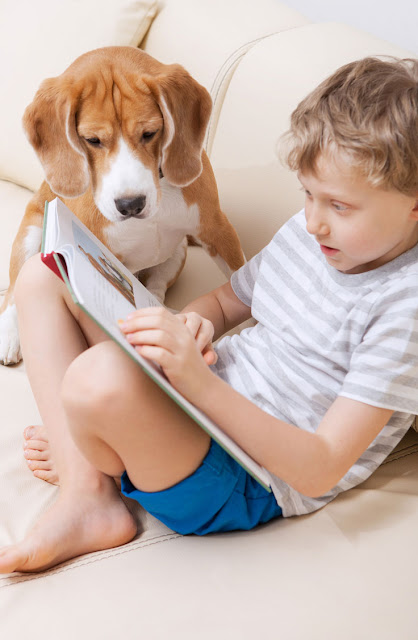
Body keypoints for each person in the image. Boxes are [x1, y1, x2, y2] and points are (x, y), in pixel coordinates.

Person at [1, 56, 418, 573]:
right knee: (43, 276)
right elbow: (226, 302)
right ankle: (90, 477)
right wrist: (188, 324)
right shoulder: (313, 235)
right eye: (307, 194)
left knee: (96, 378)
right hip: (200, 401)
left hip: (241, 476)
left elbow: (320, 469)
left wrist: (196, 383)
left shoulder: (406, 309)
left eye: (339, 206)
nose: (313, 222)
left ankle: (87, 472)